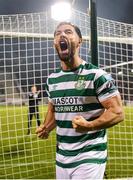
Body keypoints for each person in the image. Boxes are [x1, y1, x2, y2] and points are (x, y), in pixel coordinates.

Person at [36, 22, 124, 179]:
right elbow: (53, 109)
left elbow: (117, 112)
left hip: (90, 156)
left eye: (68, 32)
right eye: (57, 33)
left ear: (79, 41)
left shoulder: (97, 75)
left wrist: (90, 125)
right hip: (62, 156)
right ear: (54, 43)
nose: (62, 35)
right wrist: (46, 127)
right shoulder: (52, 80)